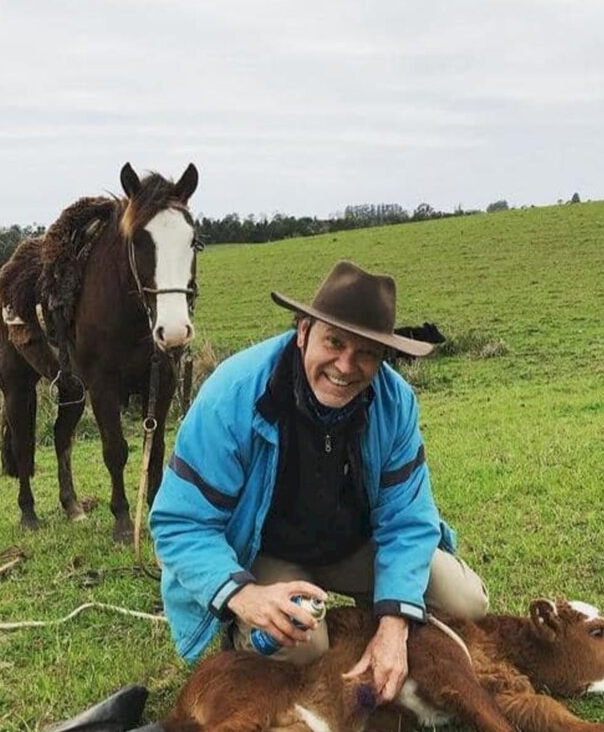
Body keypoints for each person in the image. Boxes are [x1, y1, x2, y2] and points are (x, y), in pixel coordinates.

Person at [150, 260, 488, 703]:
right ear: (303, 331)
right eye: (335, 341)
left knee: (467, 604)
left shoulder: (395, 402)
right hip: (265, 553)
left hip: (349, 545)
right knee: (302, 651)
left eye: (366, 351)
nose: (346, 366)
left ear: (383, 357)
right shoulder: (232, 394)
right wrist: (246, 596)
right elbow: (179, 524)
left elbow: (408, 520)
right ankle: (241, 635)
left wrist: (393, 625)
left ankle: (378, 615)